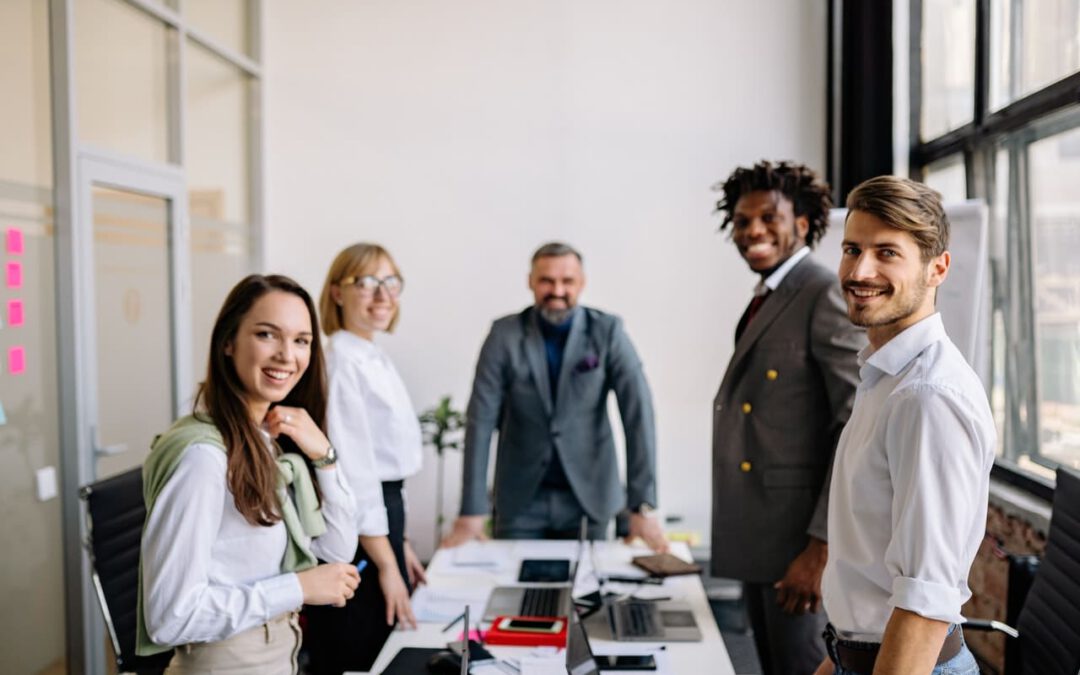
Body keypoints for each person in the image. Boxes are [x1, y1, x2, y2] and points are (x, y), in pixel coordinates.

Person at [815, 176, 994, 674]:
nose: (859, 270)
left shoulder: (927, 396)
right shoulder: (884, 378)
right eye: (852, 249)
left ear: (938, 268)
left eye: (887, 252)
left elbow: (924, 601)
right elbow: (870, 583)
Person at [138, 274, 360, 675]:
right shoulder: (204, 458)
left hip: (278, 655)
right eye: (266, 335)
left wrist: (324, 456)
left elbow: (336, 554)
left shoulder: (266, 439)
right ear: (228, 342)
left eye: (301, 340)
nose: (287, 356)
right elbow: (169, 616)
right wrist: (297, 588)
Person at [710, 161, 866, 675]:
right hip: (764, 536)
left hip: (799, 546)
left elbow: (852, 426)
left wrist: (820, 550)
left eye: (767, 218)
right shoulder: (772, 295)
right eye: (741, 220)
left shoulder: (819, 290)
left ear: (801, 223)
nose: (752, 230)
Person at [442, 242, 668, 550]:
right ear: (531, 281)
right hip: (520, 501)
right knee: (516, 594)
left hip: (590, 498)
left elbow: (638, 415)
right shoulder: (503, 335)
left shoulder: (608, 332)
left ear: (582, 283)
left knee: (587, 594)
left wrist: (641, 505)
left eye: (567, 281)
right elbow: (480, 421)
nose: (557, 290)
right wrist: (472, 509)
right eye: (547, 280)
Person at [303, 244, 429, 673]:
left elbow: (387, 466)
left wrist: (402, 541)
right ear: (337, 293)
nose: (384, 294)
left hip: (382, 521)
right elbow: (355, 477)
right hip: (355, 531)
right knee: (359, 655)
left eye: (391, 282)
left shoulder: (372, 355)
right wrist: (386, 565)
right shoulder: (341, 362)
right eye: (368, 283)